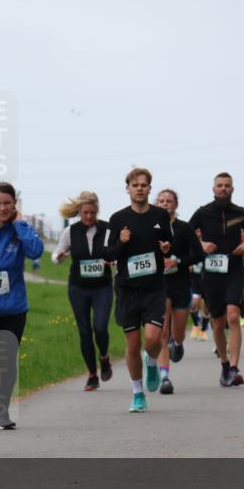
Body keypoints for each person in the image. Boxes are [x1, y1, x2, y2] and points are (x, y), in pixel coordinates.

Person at [0, 182, 44, 429]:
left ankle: (2, 410)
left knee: (7, 361)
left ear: (14, 203)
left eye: (7, 203)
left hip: (13, 308)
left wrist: (19, 224)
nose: (2, 208)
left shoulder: (20, 229)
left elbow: (36, 252)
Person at [102, 168, 172, 413]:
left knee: (153, 339)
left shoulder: (161, 215)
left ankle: (152, 361)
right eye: (135, 185)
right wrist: (121, 242)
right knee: (133, 344)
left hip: (154, 287)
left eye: (144, 185)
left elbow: (169, 245)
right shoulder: (117, 219)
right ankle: (138, 393)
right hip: (127, 289)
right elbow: (108, 254)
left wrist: (166, 249)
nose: (140, 188)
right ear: (128, 189)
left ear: (150, 188)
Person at [188, 172, 244, 387]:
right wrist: (201, 245)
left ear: (233, 189)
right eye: (219, 185)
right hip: (211, 272)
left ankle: (235, 368)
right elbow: (187, 234)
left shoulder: (240, 212)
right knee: (218, 322)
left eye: (227, 186)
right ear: (213, 189)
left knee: (233, 315)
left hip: (234, 268)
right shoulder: (202, 212)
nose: (223, 189)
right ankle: (225, 365)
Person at [52, 191, 114, 391]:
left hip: (102, 287)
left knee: (101, 327)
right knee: (85, 331)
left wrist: (111, 260)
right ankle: (92, 374)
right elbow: (56, 255)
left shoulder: (107, 229)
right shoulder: (70, 232)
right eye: (86, 213)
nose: (89, 217)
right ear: (79, 212)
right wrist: (59, 255)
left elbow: (116, 253)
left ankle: (104, 357)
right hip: (78, 288)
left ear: (98, 211)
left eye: (93, 213)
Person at [155, 189, 204, 395]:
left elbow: (199, 254)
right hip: (160, 284)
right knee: (163, 331)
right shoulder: (151, 228)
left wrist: (179, 261)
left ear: (176, 204)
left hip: (181, 284)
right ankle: (164, 377)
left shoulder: (184, 228)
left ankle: (179, 342)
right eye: (162, 201)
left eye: (169, 201)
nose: (165, 204)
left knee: (177, 333)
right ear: (156, 204)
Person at [189, 262, 211, 341]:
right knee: (193, 304)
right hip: (195, 280)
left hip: (207, 279)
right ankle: (196, 324)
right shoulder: (192, 250)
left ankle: (203, 330)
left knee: (207, 308)